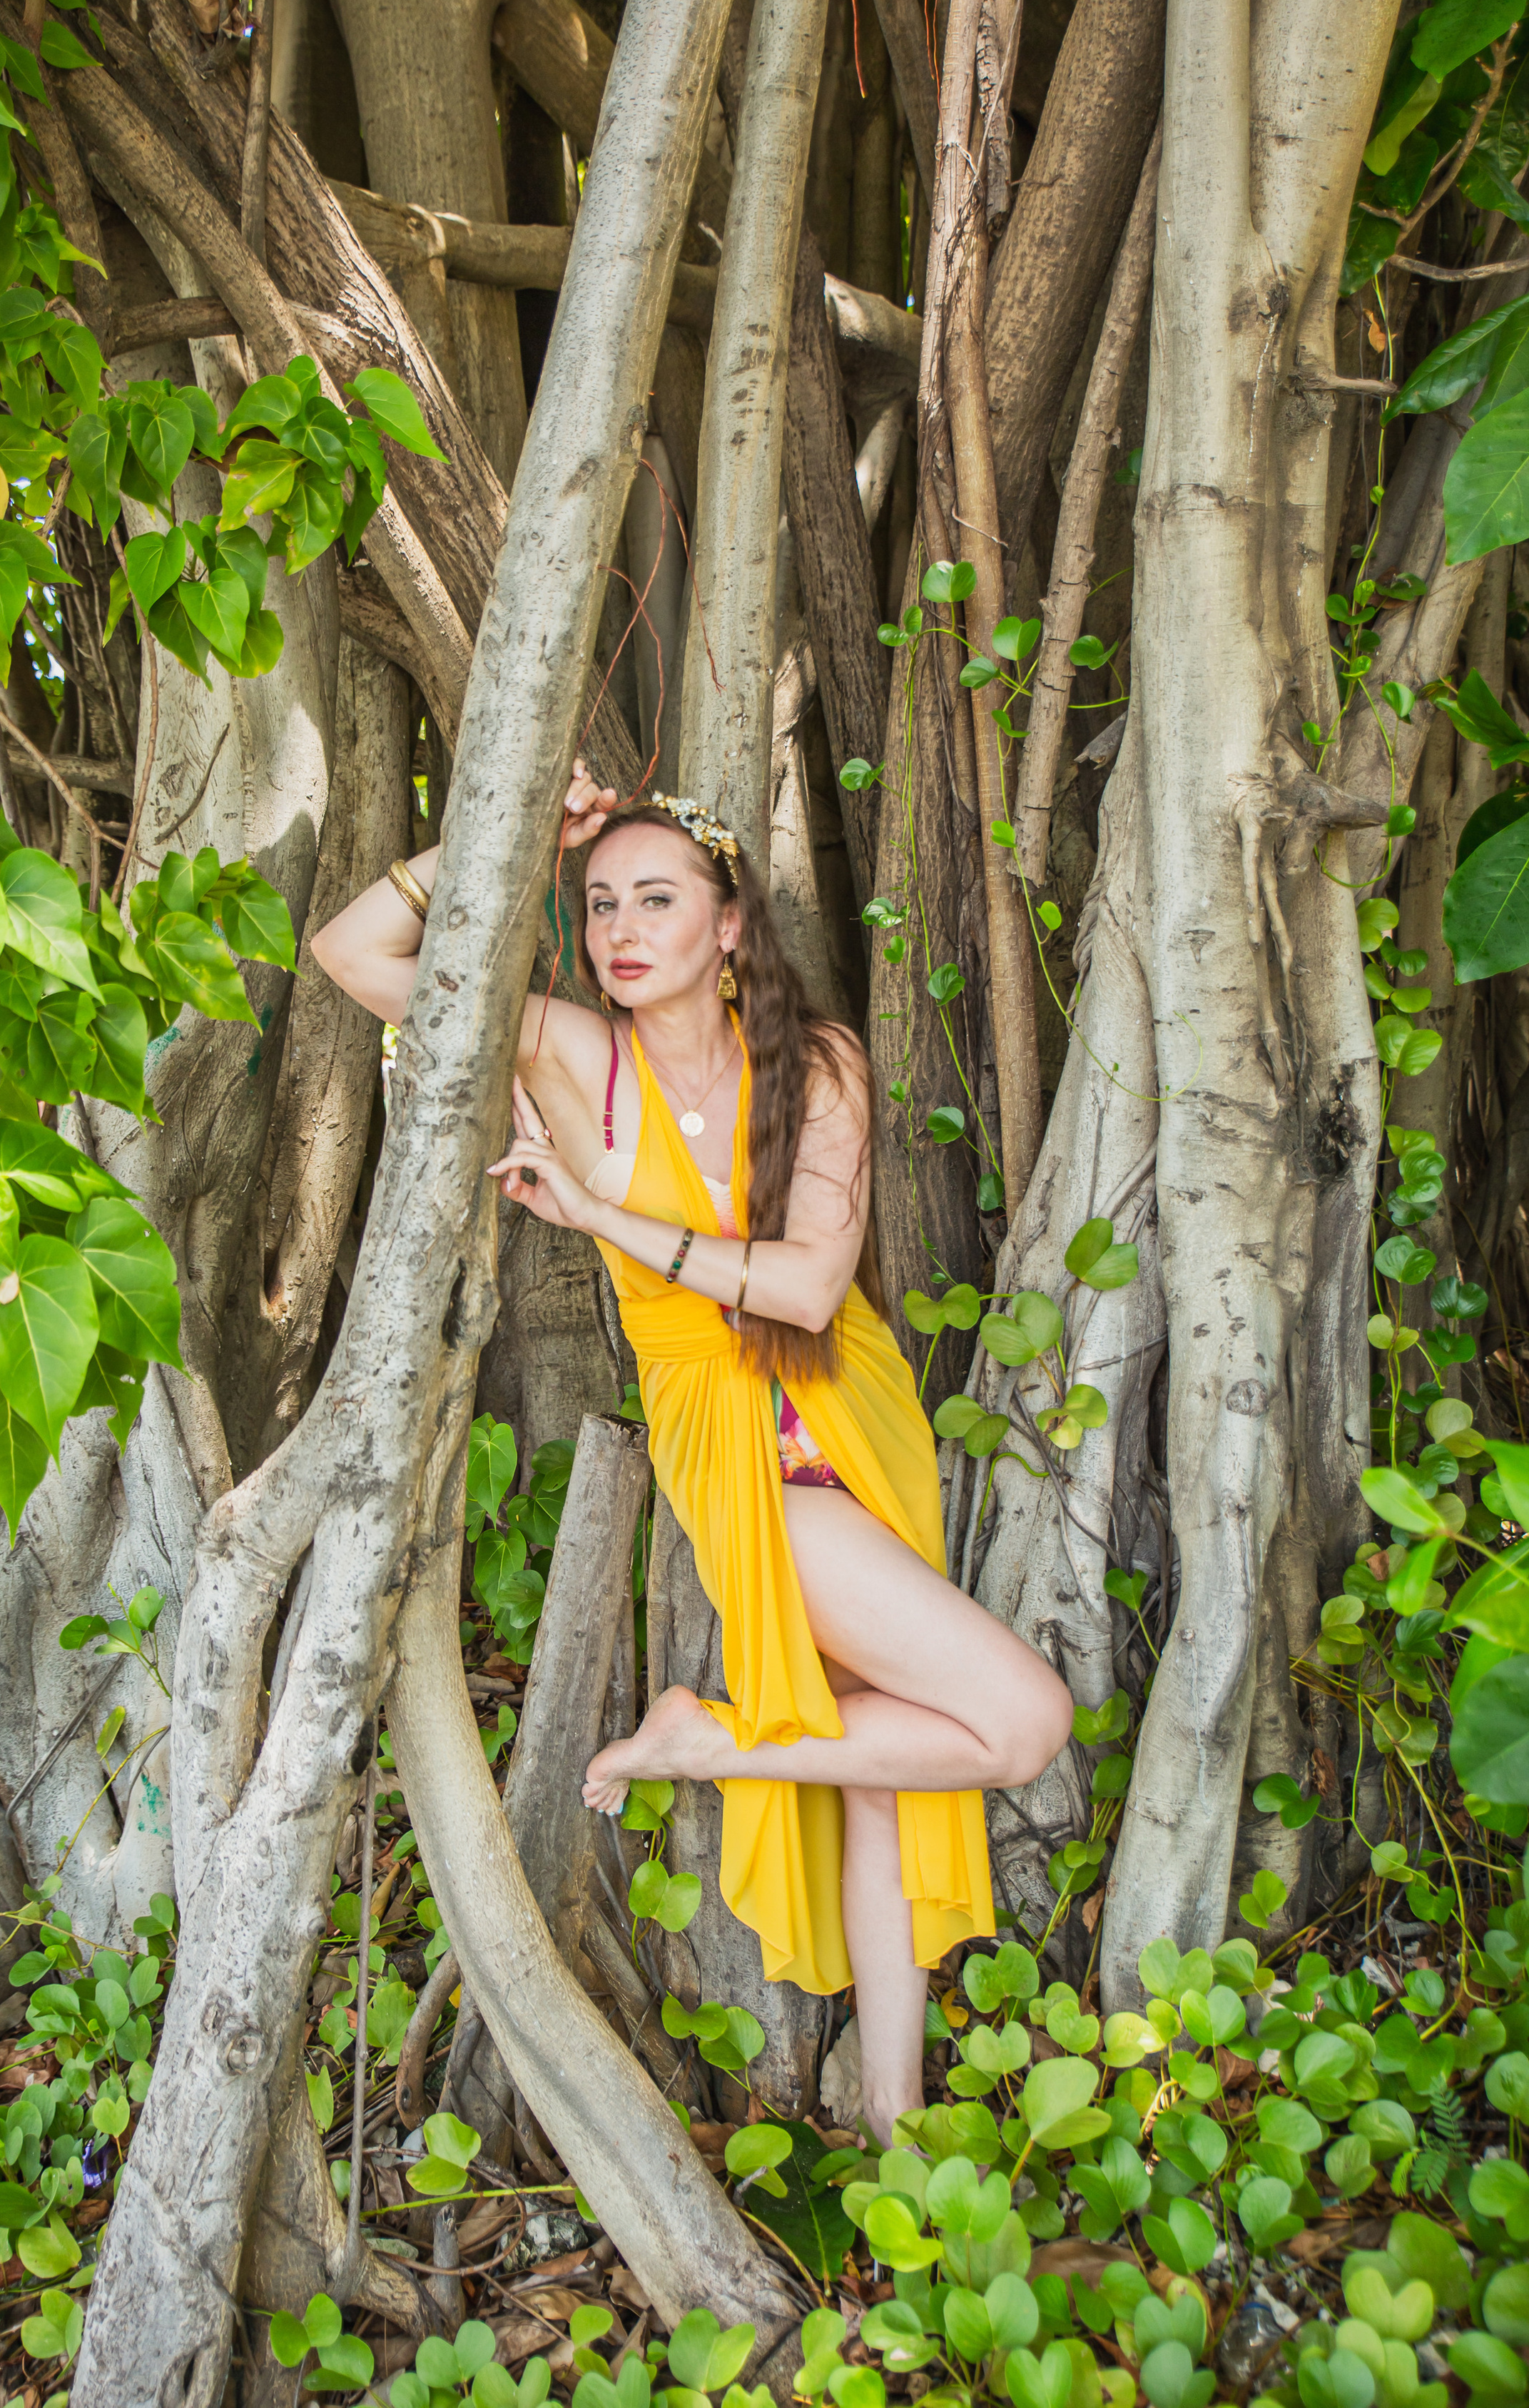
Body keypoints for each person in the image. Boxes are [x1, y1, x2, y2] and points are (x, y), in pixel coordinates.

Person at [310, 763, 1073, 2141]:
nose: (621, 926)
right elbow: (350, 950)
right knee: (1021, 1727)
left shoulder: (818, 1064)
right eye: (600, 901)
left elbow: (805, 1290)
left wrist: (605, 1214)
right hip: (727, 1446)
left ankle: (899, 2124)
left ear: (730, 927)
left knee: (895, 1788)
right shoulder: (561, 1049)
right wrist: (514, 827)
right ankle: (709, 1741)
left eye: (659, 898)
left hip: (856, 1414)